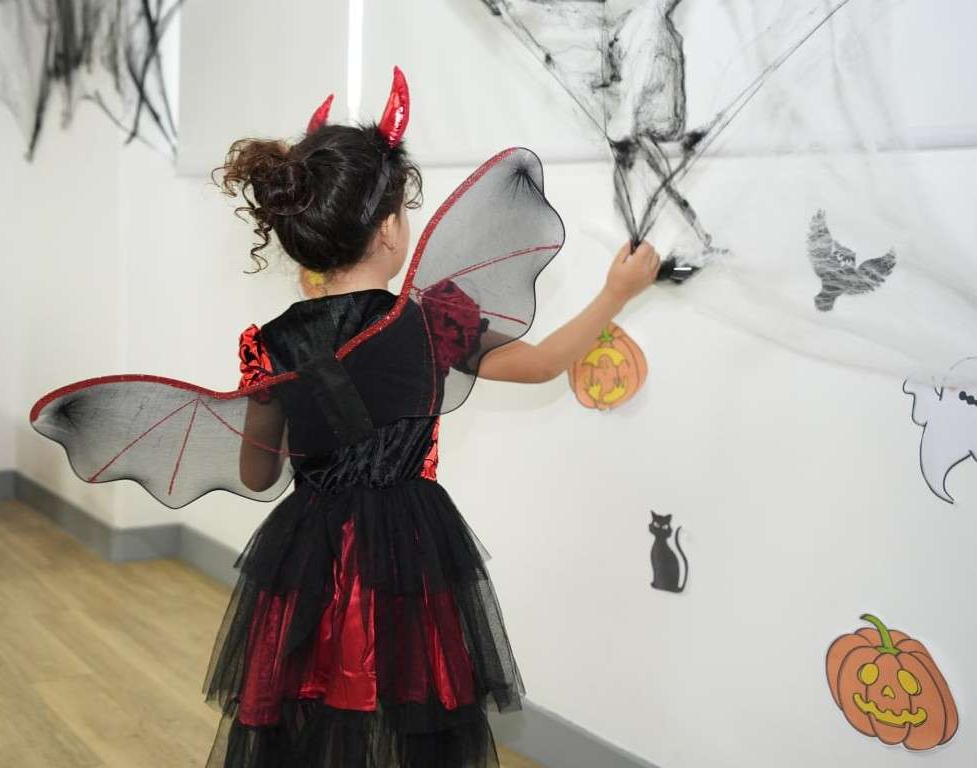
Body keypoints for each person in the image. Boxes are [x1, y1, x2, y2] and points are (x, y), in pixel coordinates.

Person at [201, 70, 659, 767]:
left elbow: (258, 475)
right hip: (409, 547)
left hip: (310, 553)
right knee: (416, 712)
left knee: (312, 714)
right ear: (389, 228)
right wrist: (615, 295)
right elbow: (540, 364)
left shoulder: (270, 345)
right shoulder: (432, 321)